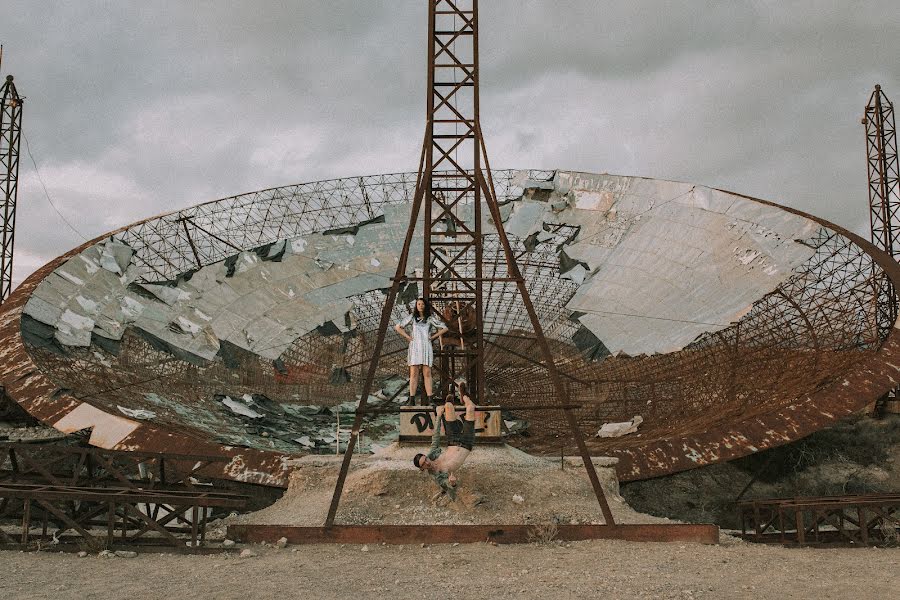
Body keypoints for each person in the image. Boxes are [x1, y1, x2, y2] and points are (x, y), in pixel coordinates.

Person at [412, 383, 476, 500]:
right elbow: (451, 492)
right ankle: (466, 399)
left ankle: (462, 397)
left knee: (447, 406)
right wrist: (453, 484)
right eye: (423, 464)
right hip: (466, 443)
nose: (427, 462)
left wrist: (438, 416)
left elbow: (435, 437)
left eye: (425, 459)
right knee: (471, 407)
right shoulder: (438, 476)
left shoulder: (432, 455)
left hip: (453, 439)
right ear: (422, 469)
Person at [394, 297, 448, 404]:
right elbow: (398, 327)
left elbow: (445, 328)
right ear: (416, 306)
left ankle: (430, 398)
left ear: (425, 306)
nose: (420, 306)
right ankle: (412, 399)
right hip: (415, 347)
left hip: (426, 347)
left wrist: (433, 337)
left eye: (422, 304)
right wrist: (408, 337)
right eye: (418, 304)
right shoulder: (412, 317)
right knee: (414, 373)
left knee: (427, 373)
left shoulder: (430, 318)